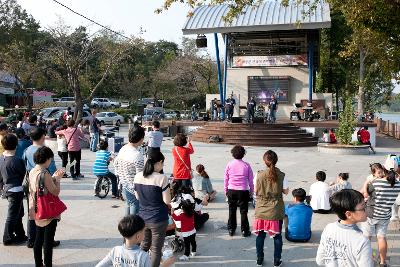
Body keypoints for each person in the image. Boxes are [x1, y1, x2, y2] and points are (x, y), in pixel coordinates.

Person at [29, 146, 65, 267]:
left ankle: (38, 264)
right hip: (47, 211)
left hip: (36, 209)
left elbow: (39, 188)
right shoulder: (45, 174)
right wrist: (58, 179)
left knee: (38, 239)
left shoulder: (33, 171)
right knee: (48, 242)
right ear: (47, 159)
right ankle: (48, 264)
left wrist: (53, 178)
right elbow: (55, 192)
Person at [316, 189, 373, 267]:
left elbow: (320, 260)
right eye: (363, 208)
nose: (367, 209)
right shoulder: (362, 241)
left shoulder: (329, 228)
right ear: (349, 214)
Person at [134, 151, 171, 267]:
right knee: (155, 249)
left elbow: (137, 197)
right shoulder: (162, 178)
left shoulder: (138, 176)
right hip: (158, 219)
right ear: (159, 162)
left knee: (144, 245)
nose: (162, 167)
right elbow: (167, 201)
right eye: (162, 164)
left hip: (143, 217)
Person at [23, 127, 58, 248]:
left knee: (32, 210)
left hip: (31, 182)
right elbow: (52, 170)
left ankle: (31, 239)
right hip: (45, 183)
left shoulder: (27, 150)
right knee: (47, 211)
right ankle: (47, 240)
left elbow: (26, 165)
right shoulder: (45, 151)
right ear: (43, 137)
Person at [253, 150, 289, 267]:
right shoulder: (282, 175)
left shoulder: (258, 174)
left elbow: (255, 191)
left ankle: (259, 259)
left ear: (265, 161)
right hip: (276, 210)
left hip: (261, 209)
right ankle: (276, 261)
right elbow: (286, 191)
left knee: (260, 236)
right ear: (276, 161)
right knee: (277, 236)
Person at [96, 215, 175, 267]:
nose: (145, 234)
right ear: (138, 236)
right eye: (144, 231)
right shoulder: (143, 256)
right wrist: (165, 264)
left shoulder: (115, 250)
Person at [361, 170, 400, 267]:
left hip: (371, 214)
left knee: (367, 238)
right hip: (385, 215)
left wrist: (366, 182)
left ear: (385, 174)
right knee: (381, 238)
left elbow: (364, 193)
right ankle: (382, 262)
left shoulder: (377, 182)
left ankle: (367, 260)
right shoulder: (398, 184)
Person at [1, 134, 27, 245]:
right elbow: (23, 174)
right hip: (16, 190)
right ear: (16, 145)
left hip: (6, 189)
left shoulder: (1, 159)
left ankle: (20, 234)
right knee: (12, 215)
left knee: (18, 212)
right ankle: (7, 237)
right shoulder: (17, 160)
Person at [224, 145, 254, 237]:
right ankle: (245, 230)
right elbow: (250, 180)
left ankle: (231, 229)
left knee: (231, 210)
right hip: (243, 190)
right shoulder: (247, 165)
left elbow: (226, 178)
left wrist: (226, 190)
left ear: (233, 154)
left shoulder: (229, 164)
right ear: (243, 154)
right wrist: (251, 191)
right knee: (243, 211)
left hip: (231, 190)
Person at [114, 126, 145, 216]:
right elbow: (140, 176)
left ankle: (126, 227)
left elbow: (116, 164)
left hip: (124, 184)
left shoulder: (123, 148)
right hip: (133, 188)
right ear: (141, 138)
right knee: (134, 206)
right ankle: (132, 228)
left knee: (128, 204)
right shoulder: (137, 155)